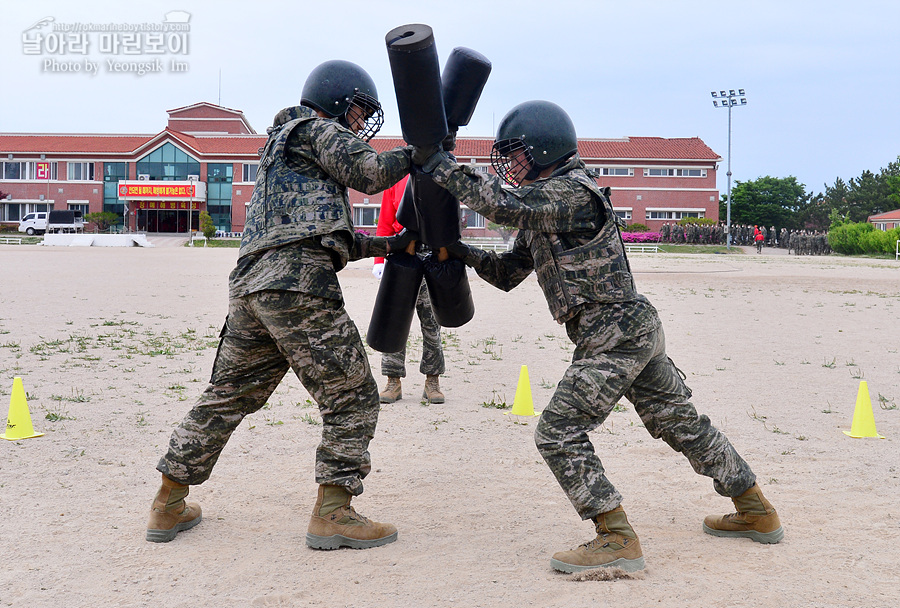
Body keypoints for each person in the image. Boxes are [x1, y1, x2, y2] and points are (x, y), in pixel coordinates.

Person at [413, 100, 783, 573]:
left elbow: (499, 205)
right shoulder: (547, 205)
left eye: (518, 154)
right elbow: (508, 273)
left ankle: (616, 538)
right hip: (628, 330)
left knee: (558, 431)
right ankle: (755, 510)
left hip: (615, 334)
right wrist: (457, 251)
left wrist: (438, 163)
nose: (512, 166)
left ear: (545, 148)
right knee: (680, 421)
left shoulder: (570, 192)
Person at [146, 60, 420, 551]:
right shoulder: (316, 129)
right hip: (298, 289)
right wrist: (421, 152)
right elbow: (373, 171)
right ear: (337, 100)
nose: (359, 124)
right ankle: (334, 513)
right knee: (352, 395)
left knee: (227, 395)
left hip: (252, 289)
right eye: (357, 112)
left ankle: (168, 502)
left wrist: (390, 246)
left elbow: (322, 236)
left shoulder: (281, 147)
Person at [372, 174, 446, 404]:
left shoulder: (438, 176)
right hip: (400, 253)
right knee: (394, 320)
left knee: (432, 322)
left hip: (431, 254)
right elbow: (385, 221)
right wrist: (379, 260)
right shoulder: (394, 180)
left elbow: (447, 220)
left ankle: (432, 381)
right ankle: (393, 381)